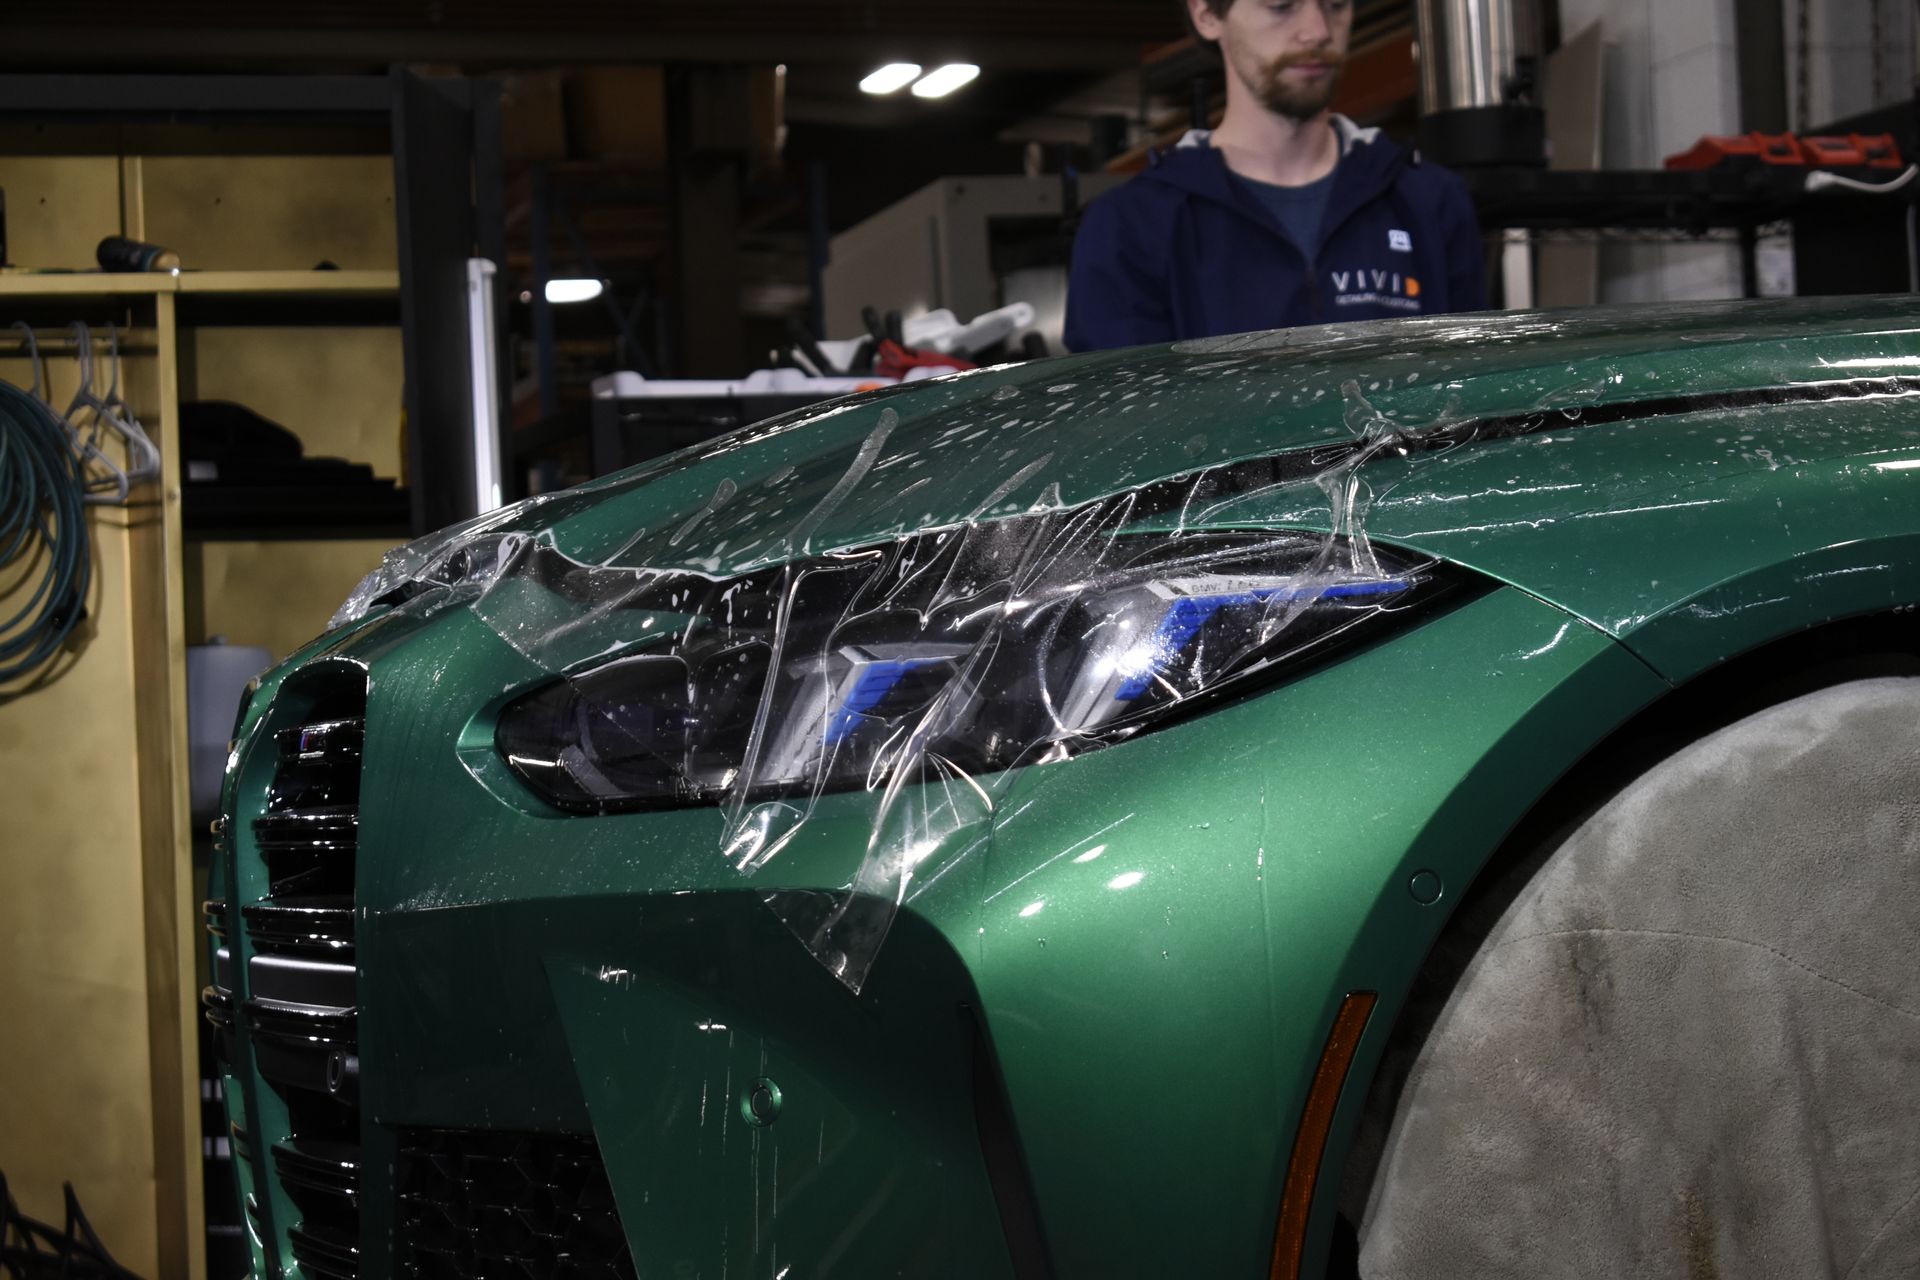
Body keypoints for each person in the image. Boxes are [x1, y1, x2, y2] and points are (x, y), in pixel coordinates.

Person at [1064, 0, 1487, 351]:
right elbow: (1126, 436)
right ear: (1207, 14)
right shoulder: (1131, 228)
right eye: (1281, 6)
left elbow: (1471, 401)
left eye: (1335, 4)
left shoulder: (1428, 202)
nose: (1317, 30)